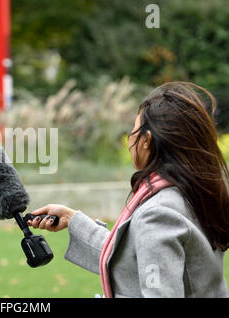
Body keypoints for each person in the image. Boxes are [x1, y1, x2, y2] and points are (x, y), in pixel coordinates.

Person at [29, 82, 229, 298]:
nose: (130, 137)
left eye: (134, 129)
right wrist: (73, 220)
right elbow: (135, 259)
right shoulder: (193, 193)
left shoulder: (158, 214)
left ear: (146, 140)